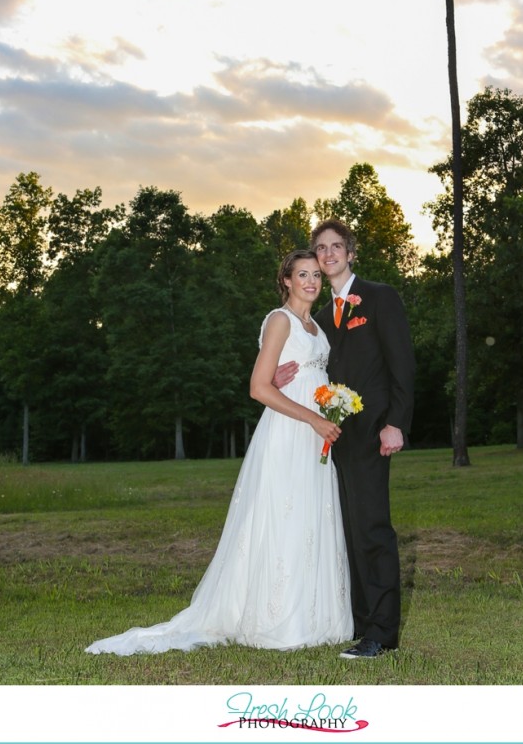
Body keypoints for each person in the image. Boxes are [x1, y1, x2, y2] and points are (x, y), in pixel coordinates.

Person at [85, 249, 353, 656]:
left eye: (316, 274)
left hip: (316, 434)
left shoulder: (316, 326)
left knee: (311, 517)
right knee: (284, 517)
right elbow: (259, 387)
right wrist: (312, 418)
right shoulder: (280, 321)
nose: (312, 282)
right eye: (302, 274)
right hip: (289, 433)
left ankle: (317, 618)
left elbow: (306, 375)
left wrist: (329, 409)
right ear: (286, 280)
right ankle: (277, 619)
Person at [275, 219, 414, 659]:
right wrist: (280, 380)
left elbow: (403, 364)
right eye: (321, 248)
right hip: (333, 438)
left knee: (372, 528)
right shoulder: (319, 320)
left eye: (337, 246)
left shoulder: (380, 297)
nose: (329, 254)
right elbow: (313, 371)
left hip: (373, 432)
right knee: (347, 531)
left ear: (351, 253)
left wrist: (397, 422)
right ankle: (358, 620)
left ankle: (382, 632)